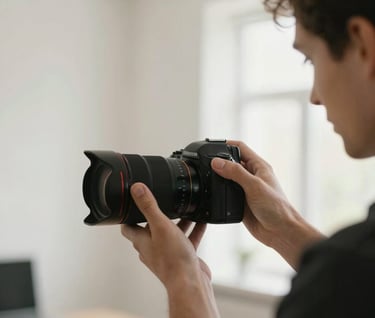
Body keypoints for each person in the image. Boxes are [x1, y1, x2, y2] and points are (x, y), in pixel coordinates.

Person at [121, 0, 375, 317]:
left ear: (363, 44)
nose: (315, 97)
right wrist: (284, 226)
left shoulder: (351, 267)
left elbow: (350, 277)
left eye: (311, 60)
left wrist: (183, 278)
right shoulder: (355, 267)